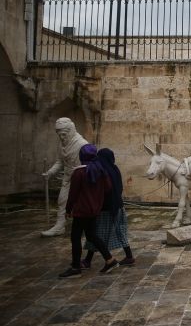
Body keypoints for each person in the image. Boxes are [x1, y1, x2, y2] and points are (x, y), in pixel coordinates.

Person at [59, 144, 119, 278]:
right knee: (91, 235)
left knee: (75, 237)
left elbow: (73, 194)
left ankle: (75, 267)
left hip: (81, 211)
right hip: (94, 210)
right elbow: (108, 188)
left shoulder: (79, 172)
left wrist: (68, 209)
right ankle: (110, 260)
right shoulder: (100, 170)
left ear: (82, 156)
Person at [81, 148, 135, 269]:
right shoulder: (115, 169)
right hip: (118, 206)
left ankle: (90, 260)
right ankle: (129, 256)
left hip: (105, 208)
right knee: (120, 231)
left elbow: (102, 190)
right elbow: (119, 188)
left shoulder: (101, 171)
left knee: (95, 234)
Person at [41, 118, 89, 236]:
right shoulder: (63, 144)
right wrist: (50, 173)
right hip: (68, 177)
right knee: (62, 200)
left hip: (80, 179)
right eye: (59, 135)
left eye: (63, 134)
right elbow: (60, 161)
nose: (61, 137)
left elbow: (83, 167)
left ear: (71, 131)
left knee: (82, 202)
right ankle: (59, 226)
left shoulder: (81, 145)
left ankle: (87, 226)